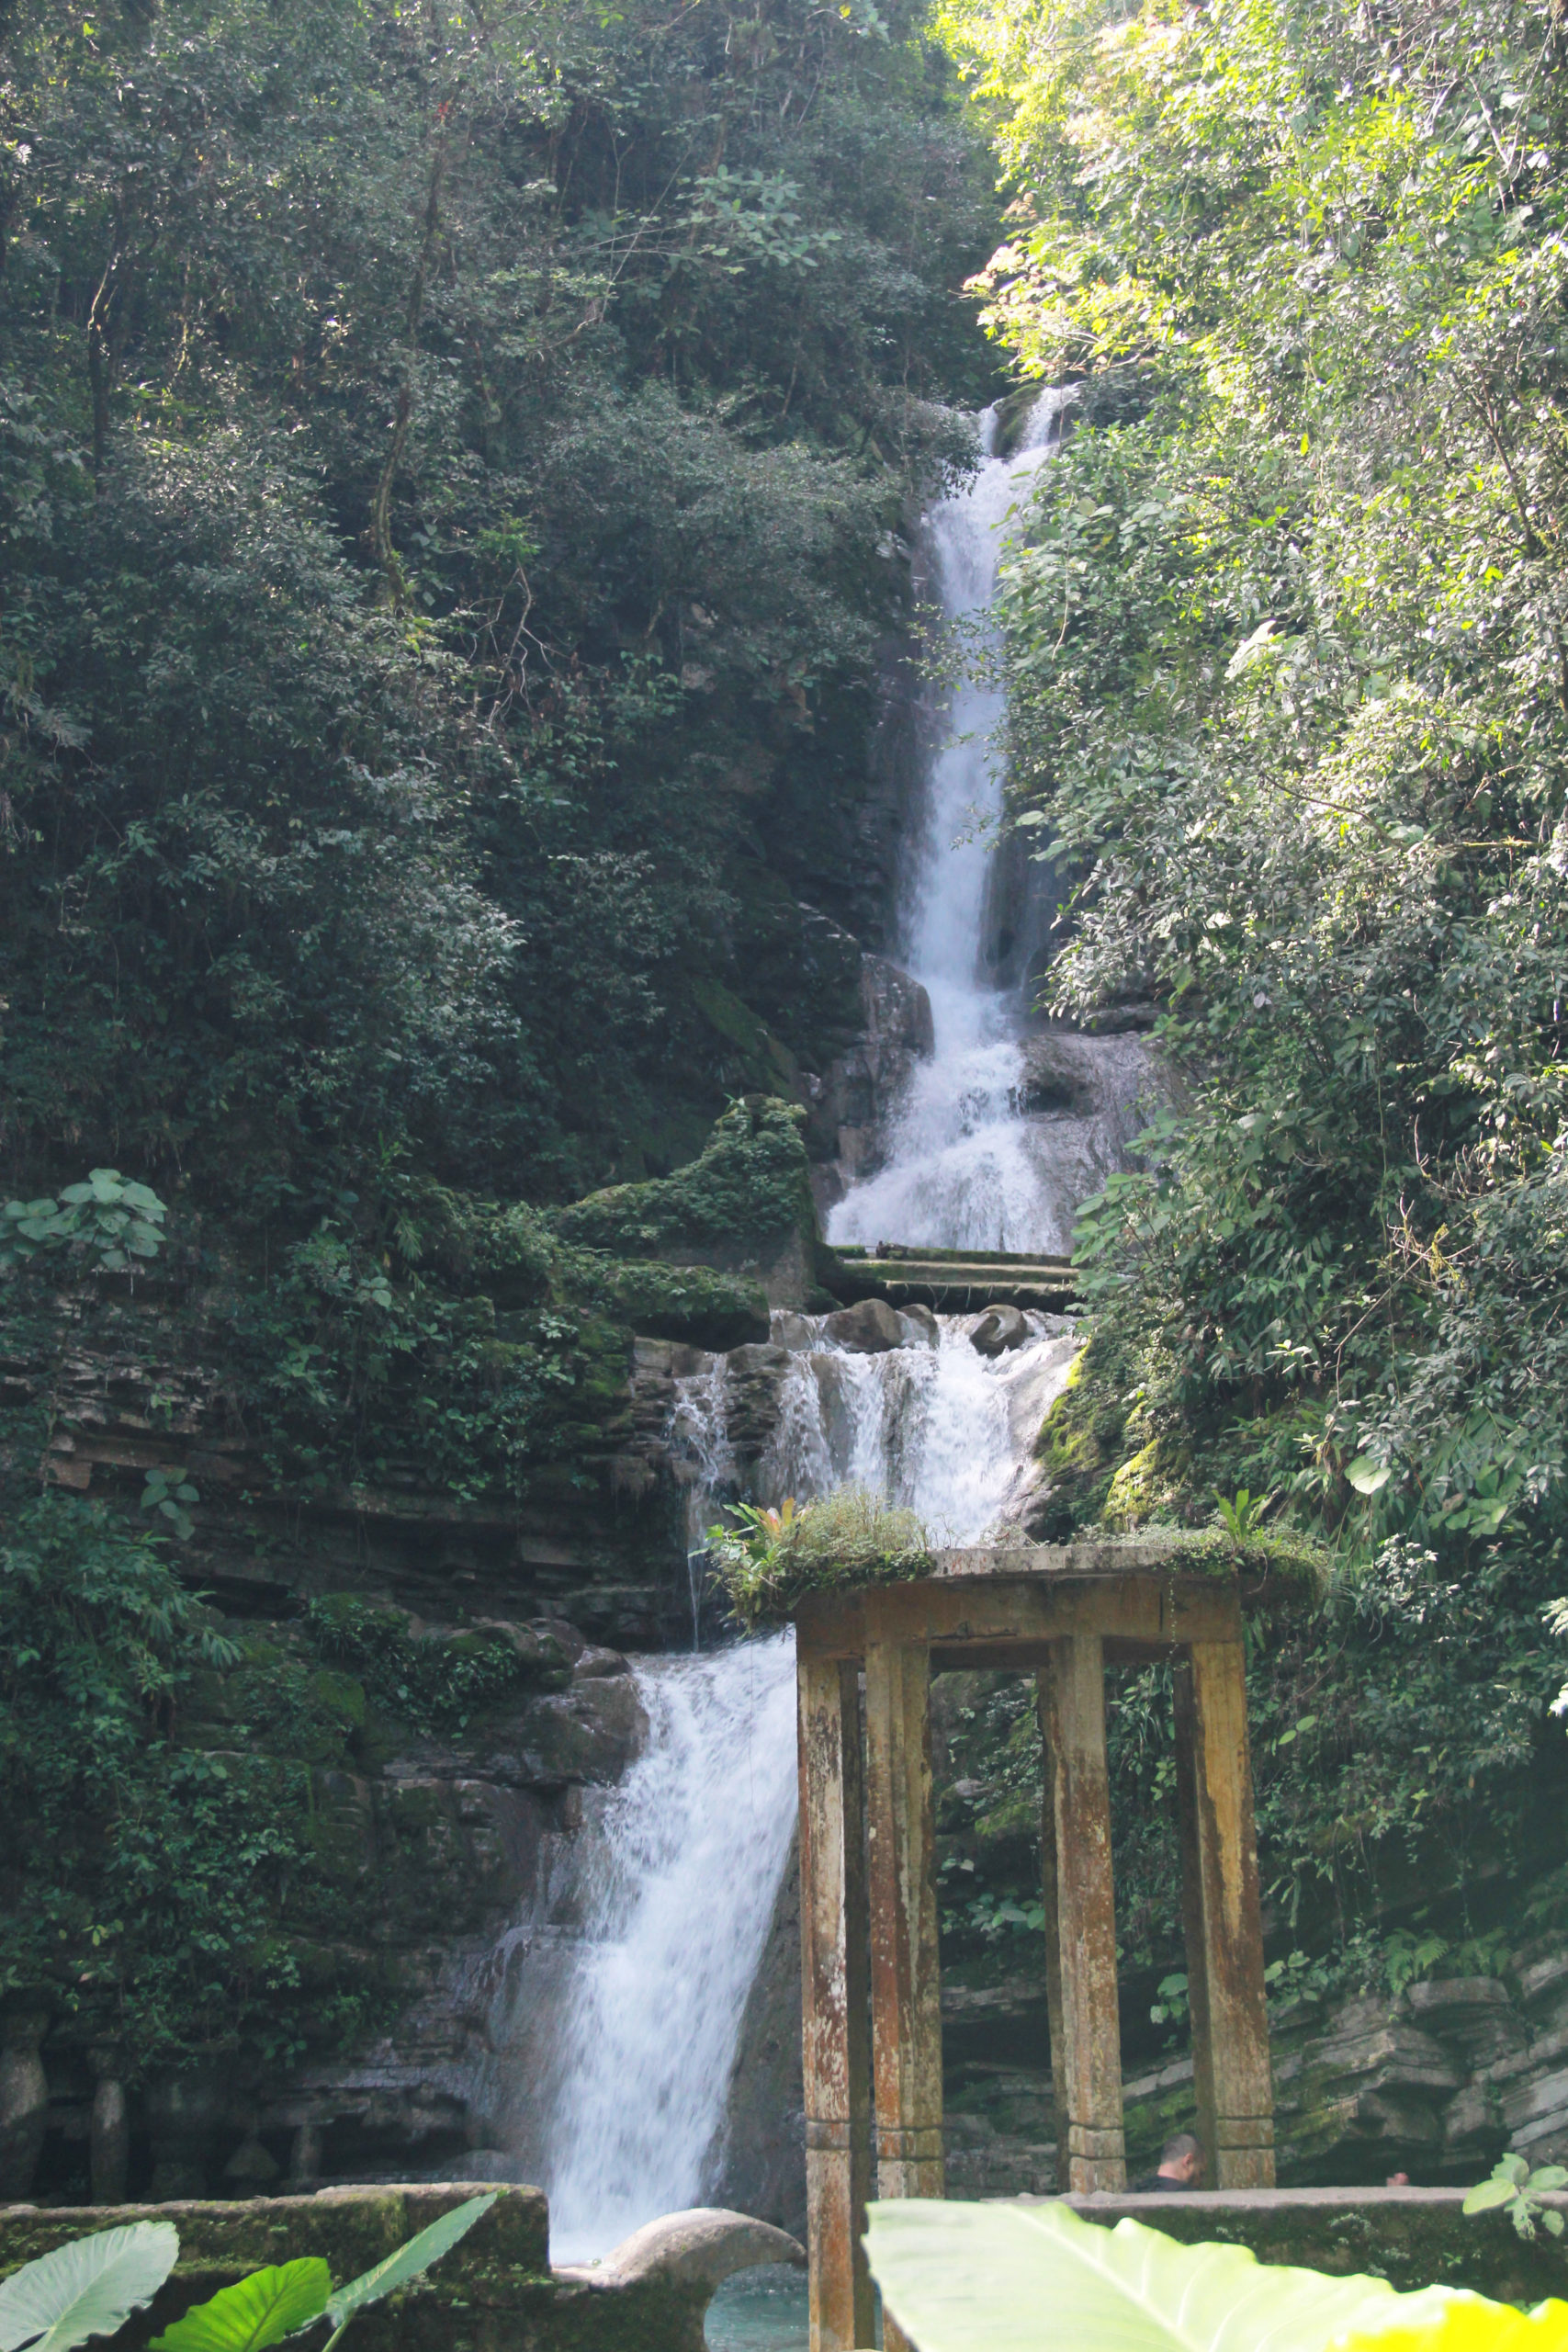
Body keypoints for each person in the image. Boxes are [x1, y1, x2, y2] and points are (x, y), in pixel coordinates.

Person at [1130, 2132, 1204, 2191]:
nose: (1201, 2181)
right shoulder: (1193, 2200)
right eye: (1200, 2173)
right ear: (1188, 2162)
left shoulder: (1131, 2194)